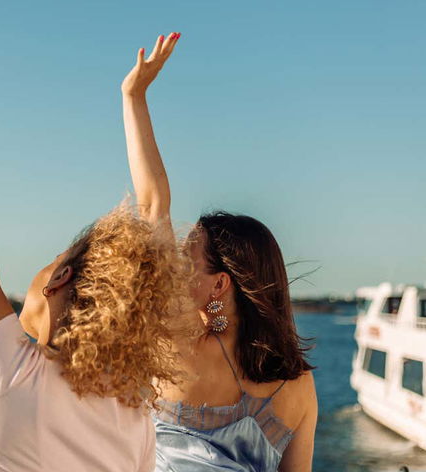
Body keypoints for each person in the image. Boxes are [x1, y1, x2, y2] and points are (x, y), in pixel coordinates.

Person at [0, 1, 190, 470]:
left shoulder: (7, 371)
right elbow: (154, 217)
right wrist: (133, 97)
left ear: (59, 277)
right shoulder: (132, 418)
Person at [120, 32, 318, 471]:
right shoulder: (297, 385)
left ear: (219, 282)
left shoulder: (175, 349)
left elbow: (153, 204)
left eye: (187, 254)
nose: (173, 261)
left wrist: (132, 96)